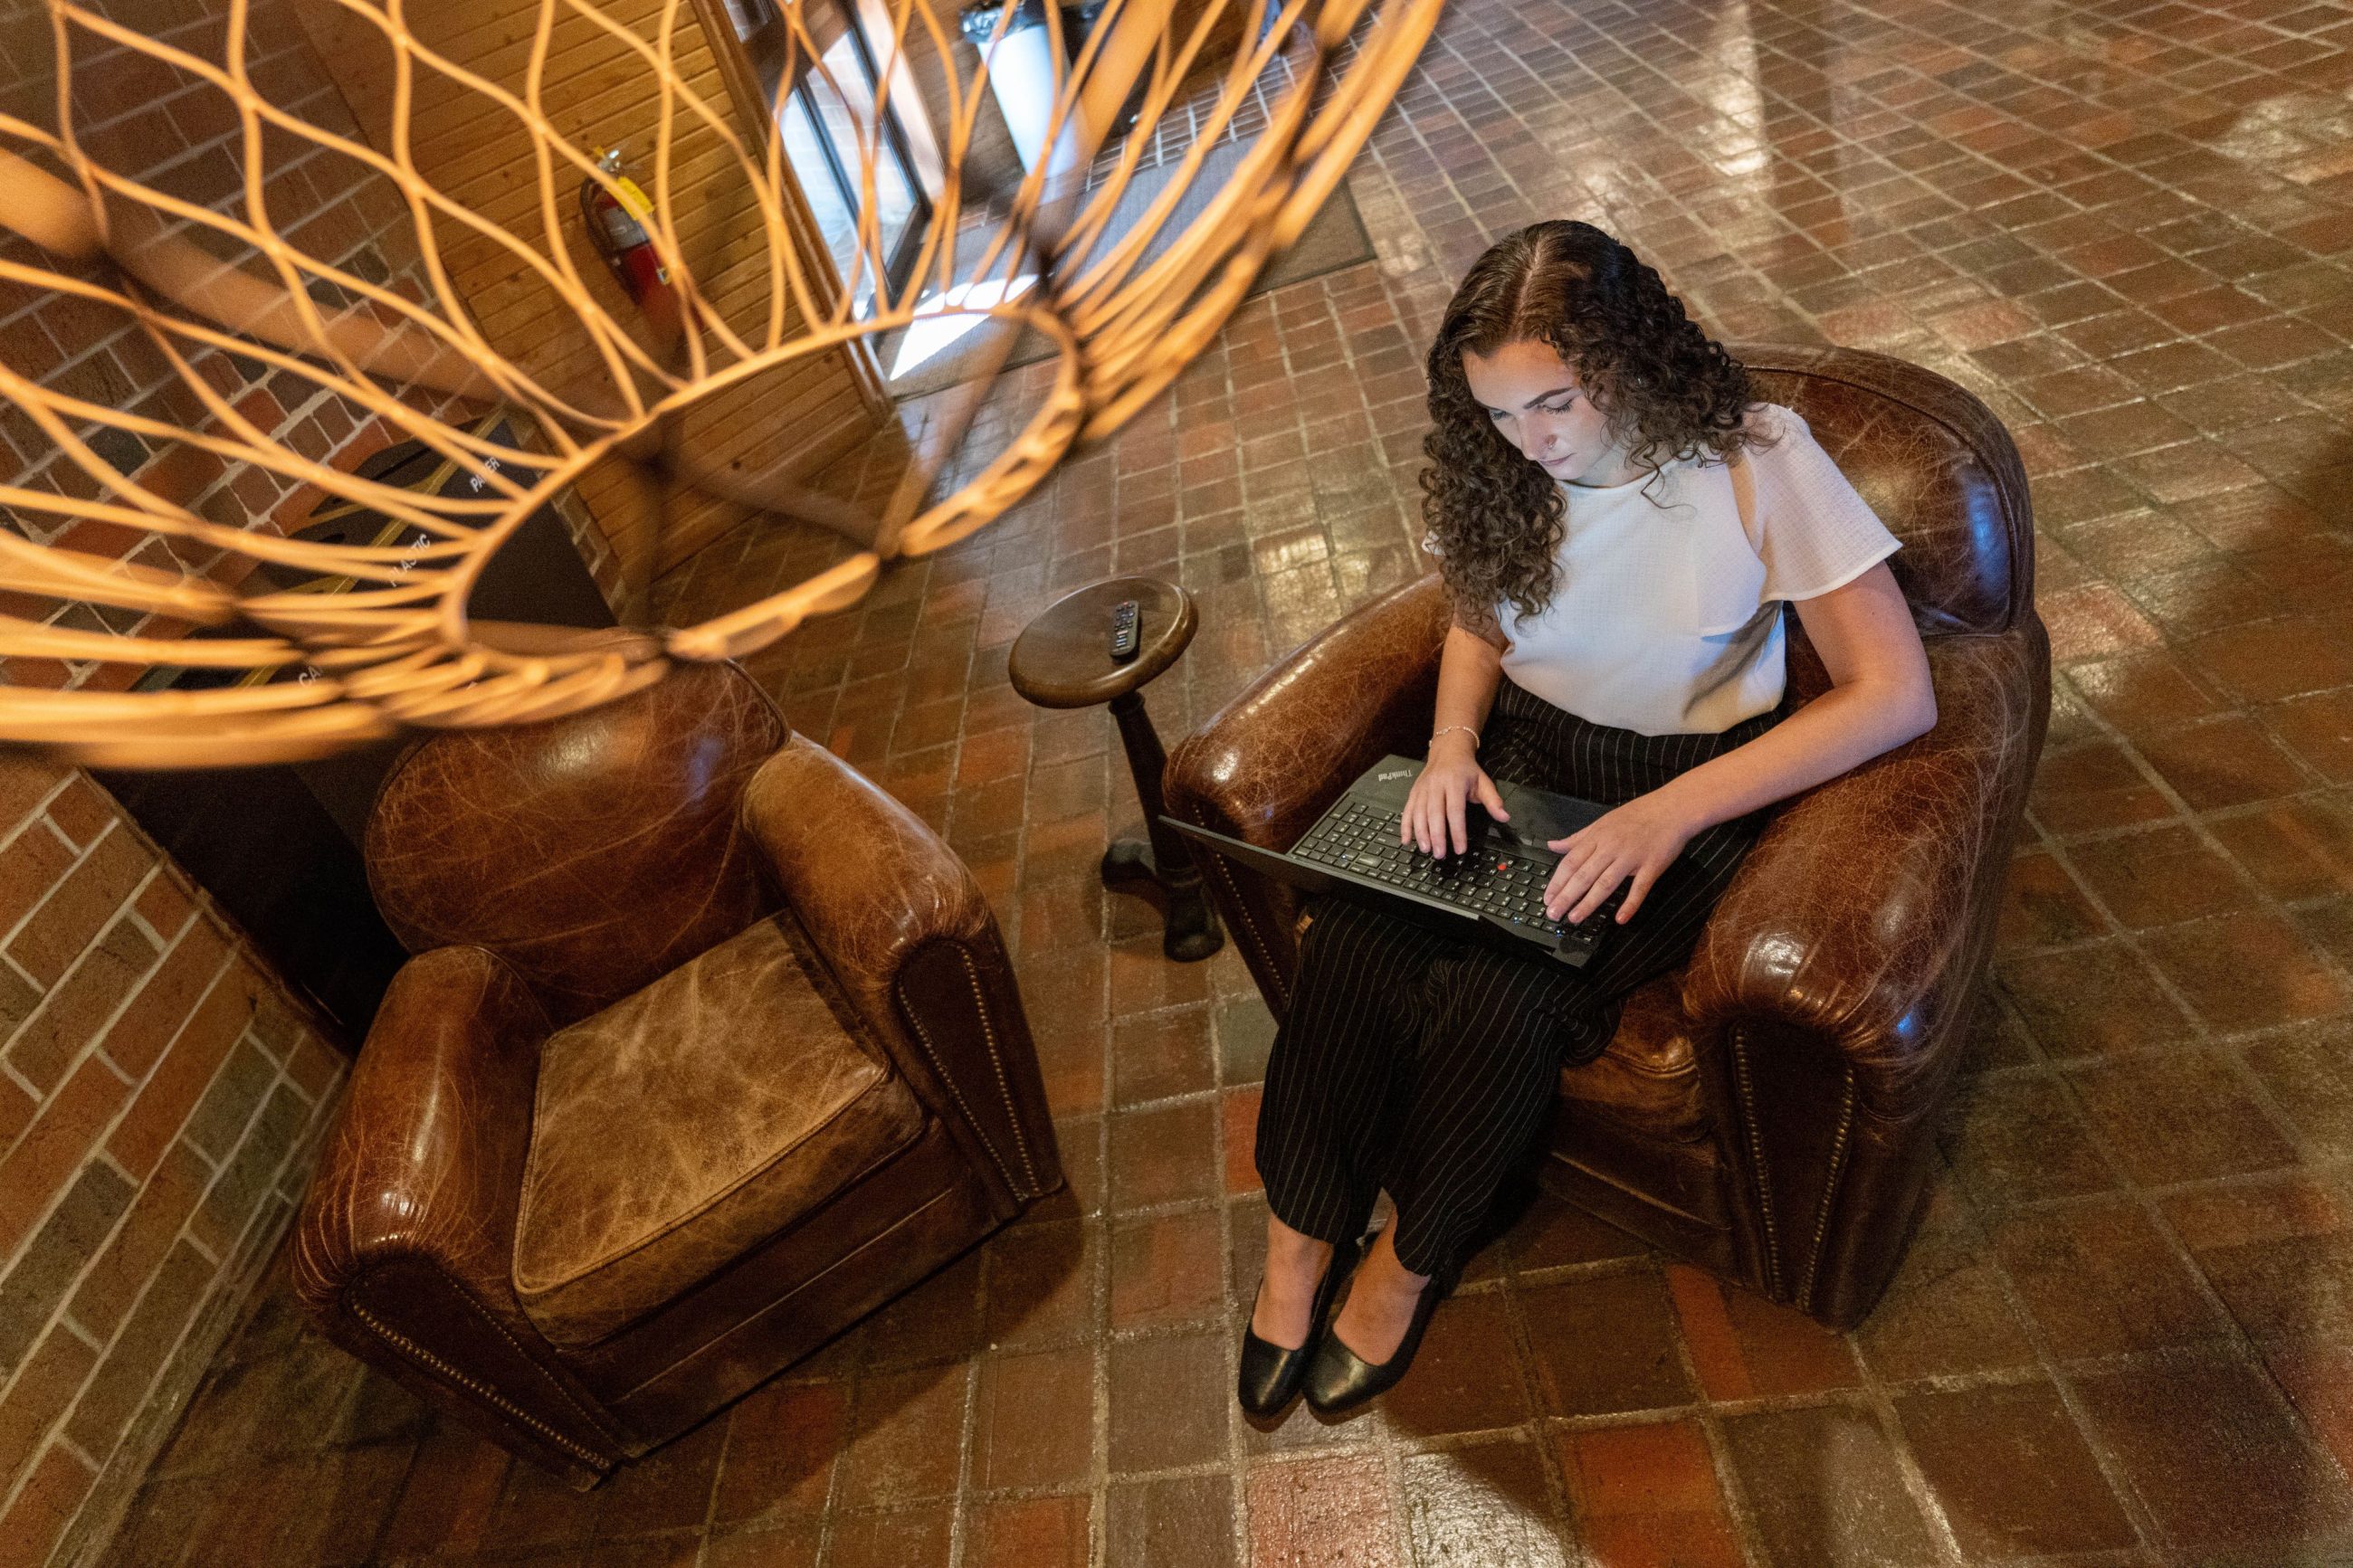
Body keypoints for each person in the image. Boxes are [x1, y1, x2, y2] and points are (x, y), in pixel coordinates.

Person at [1238, 220, 1939, 1418]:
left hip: (1684, 780)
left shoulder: (1755, 459)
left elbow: (1896, 692)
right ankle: (1297, 1240)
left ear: (1626, 355)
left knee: (1502, 996)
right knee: (1357, 934)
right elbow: (1478, 618)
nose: (1533, 442)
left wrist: (1668, 814)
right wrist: (1451, 745)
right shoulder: (1503, 463)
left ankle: (1409, 1262)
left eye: (1554, 403)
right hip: (1525, 748)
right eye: (1502, 414)